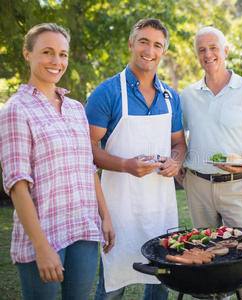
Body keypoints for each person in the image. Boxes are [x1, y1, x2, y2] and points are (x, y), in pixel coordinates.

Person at [0, 23, 114, 300]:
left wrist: (105, 216)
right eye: (47, 52)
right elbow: (17, 185)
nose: (56, 61)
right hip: (44, 233)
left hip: (84, 228)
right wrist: (41, 247)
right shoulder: (16, 109)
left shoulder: (76, 109)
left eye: (63, 54)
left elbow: (88, 168)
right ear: (28, 54)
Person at [85, 18, 186, 299]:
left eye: (157, 45)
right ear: (131, 44)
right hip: (118, 208)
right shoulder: (107, 92)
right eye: (143, 41)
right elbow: (86, 148)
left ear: (163, 52)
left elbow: (179, 143)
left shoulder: (170, 97)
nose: (149, 50)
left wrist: (176, 161)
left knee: (161, 281)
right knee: (113, 282)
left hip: (161, 208)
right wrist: (126, 165)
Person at [178, 26, 242, 300]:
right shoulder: (188, 95)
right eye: (202, 50)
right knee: (206, 252)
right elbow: (178, 138)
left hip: (238, 186)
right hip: (198, 186)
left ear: (226, 50)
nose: (208, 54)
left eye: (213, 48)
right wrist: (181, 169)